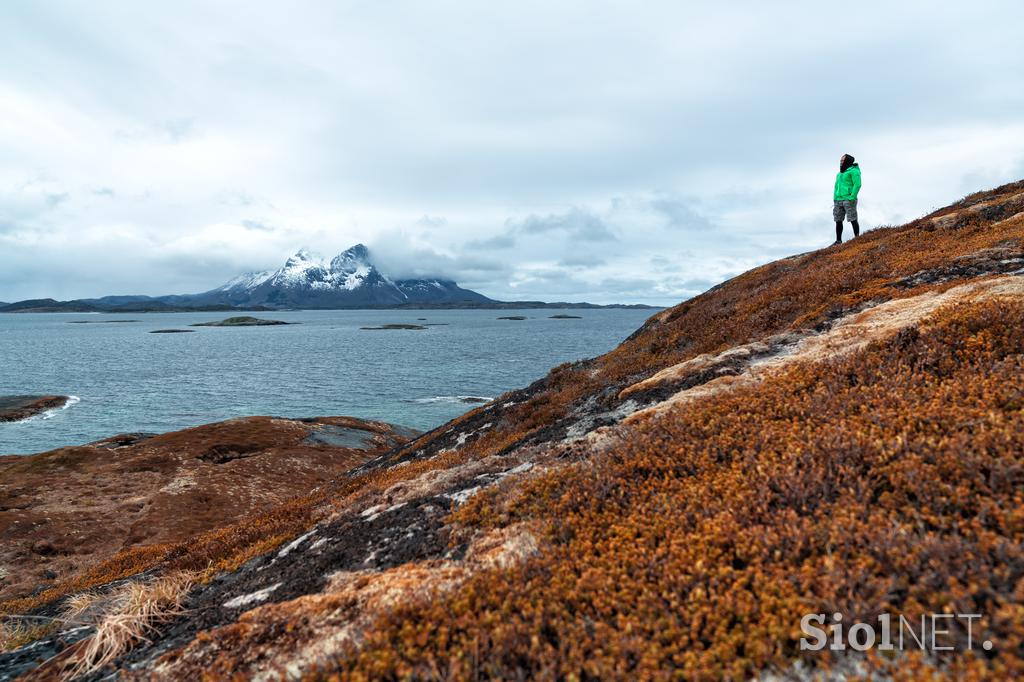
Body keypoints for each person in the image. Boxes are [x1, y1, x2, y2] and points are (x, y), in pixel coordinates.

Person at [832, 154, 862, 245]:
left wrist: (852, 197)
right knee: (838, 220)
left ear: (848, 161)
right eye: (840, 160)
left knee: (853, 219)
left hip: (849, 199)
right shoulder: (839, 173)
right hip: (838, 200)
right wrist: (835, 197)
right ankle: (838, 241)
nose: (841, 162)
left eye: (843, 160)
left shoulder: (854, 171)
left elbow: (857, 184)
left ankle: (857, 239)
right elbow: (836, 186)